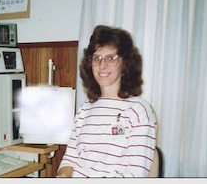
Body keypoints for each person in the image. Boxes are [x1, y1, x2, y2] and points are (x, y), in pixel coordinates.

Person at [57, 25, 157, 177]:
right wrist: (62, 176)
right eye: (97, 58)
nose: (102, 65)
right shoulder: (84, 111)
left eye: (111, 58)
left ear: (125, 64)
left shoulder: (139, 110)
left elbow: (135, 174)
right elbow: (69, 160)